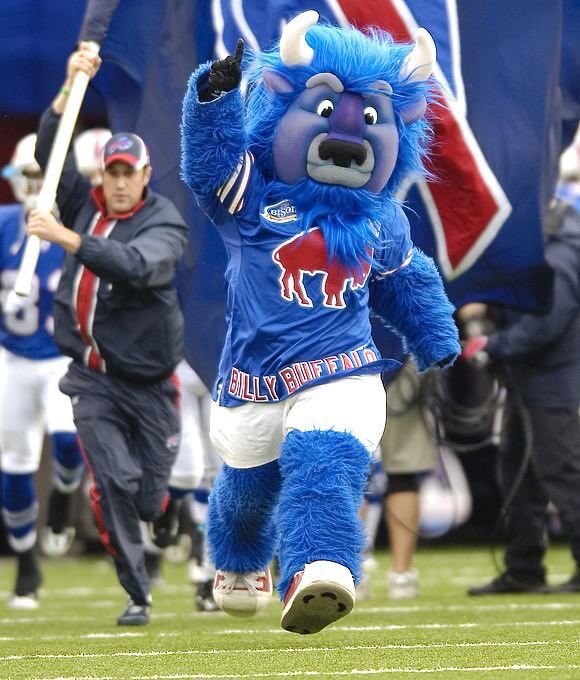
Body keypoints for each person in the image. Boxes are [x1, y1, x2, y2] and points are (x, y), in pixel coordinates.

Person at [181, 14, 460, 634]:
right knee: (248, 492)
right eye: (327, 108)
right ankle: (236, 558)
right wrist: (215, 97)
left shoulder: (382, 220)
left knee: (325, 460)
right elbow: (207, 169)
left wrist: (436, 337)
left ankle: (320, 565)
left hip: (343, 367)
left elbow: (403, 280)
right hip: (253, 378)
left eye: (368, 119)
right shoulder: (251, 196)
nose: (346, 137)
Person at [28, 42, 188, 625]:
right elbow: (52, 145)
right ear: (105, 173)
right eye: (112, 172)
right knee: (116, 482)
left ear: (145, 175)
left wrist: (67, 241)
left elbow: (140, 267)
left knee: (148, 494)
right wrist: (71, 84)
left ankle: (165, 510)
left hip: (150, 382)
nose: (119, 182)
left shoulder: (163, 221)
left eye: (129, 172)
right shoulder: (83, 204)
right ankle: (138, 594)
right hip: (92, 379)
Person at [464, 186, 580, 595]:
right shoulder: (547, 249)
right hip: (529, 382)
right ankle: (523, 567)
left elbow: (547, 322)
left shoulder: (559, 253)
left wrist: (493, 346)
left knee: (564, 475)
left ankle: (534, 566)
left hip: (554, 386)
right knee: (519, 475)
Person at [0, 134, 85, 609]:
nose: (34, 186)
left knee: (68, 440)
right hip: (11, 355)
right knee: (13, 465)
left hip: (59, 355)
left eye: (41, 176)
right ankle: (26, 560)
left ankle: (64, 497)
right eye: (26, 176)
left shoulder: (71, 227)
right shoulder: (4, 226)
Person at [380, 359, 439, 600]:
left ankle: (351, 570)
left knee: (349, 469)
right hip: (398, 358)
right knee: (402, 472)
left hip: (337, 361)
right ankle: (401, 575)